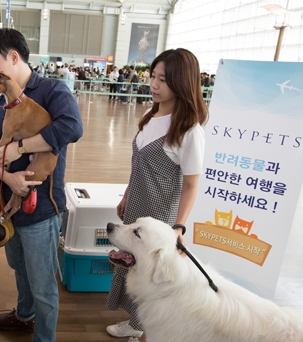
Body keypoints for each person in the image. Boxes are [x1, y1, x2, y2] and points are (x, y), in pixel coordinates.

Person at [0, 28, 83, 342]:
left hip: (42, 210)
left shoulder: (51, 90)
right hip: (9, 206)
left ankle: (43, 337)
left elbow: (72, 127)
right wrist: (9, 177)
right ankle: (24, 316)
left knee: (43, 284)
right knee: (20, 271)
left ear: (12, 57)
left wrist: (19, 149)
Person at [106, 48, 208, 341]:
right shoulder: (152, 116)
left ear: (182, 82)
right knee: (131, 266)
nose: (153, 84)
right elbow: (138, 164)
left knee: (150, 274)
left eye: (162, 79)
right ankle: (137, 324)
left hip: (160, 215)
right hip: (138, 204)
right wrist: (127, 195)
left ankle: (145, 332)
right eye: (152, 76)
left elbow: (190, 185)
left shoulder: (189, 130)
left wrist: (177, 227)